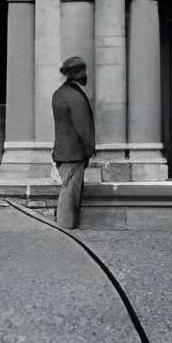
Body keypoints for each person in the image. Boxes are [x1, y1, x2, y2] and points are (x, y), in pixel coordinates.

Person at [51, 54, 96, 231]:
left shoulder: (59, 93)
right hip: (74, 155)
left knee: (67, 192)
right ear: (79, 75)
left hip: (62, 153)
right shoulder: (75, 97)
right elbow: (84, 129)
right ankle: (65, 232)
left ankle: (64, 228)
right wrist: (89, 150)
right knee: (69, 197)